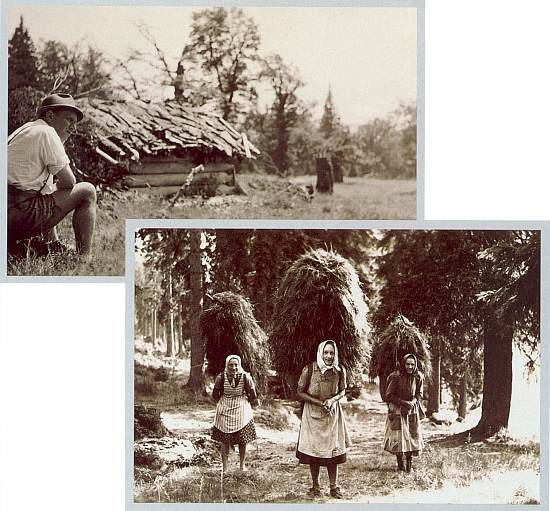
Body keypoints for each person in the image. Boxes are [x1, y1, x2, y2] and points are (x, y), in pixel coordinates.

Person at [8, 93, 96, 258]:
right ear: (50, 116)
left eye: (75, 123)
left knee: (44, 194)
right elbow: (69, 182)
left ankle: (52, 244)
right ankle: (84, 258)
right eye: (69, 120)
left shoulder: (23, 131)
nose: (73, 128)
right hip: (16, 211)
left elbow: (44, 191)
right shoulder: (47, 132)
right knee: (87, 191)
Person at [296, 340, 351, 499]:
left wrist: (332, 400)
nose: (328, 356)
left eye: (331, 353)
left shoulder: (340, 371)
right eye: (325, 353)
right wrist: (319, 402)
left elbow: (342, 391)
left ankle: (334, 487)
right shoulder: (309, 369)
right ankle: (315, 486)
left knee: (332, 451)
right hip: (312, 414)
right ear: (320, 353)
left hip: (332, 415)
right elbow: (300, 392)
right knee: (314, 451)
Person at [211, 355, 259, 472]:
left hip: (241, 406)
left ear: (239, 365)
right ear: (227, 366)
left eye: (236, 365)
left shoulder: (245, 377)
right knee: (225, 440)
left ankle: (242, 466)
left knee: (242, 439)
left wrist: (247, 401)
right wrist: (223, 403)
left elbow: (253, 395)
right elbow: (214, 395)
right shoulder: (221, 377)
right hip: (225, 406)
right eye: (231, 365)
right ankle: (225, 468)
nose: (233, 368)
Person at [383, 353, 425, 472]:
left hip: (411, 410)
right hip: (397, 409)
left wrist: (412, 402)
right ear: (403, 364)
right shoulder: (396, 377)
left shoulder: (418, 377)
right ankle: (400, 463)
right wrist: (403, 403)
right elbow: (389, 395)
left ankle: (409, 464)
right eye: (407, 364)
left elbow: (419, 393)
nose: (410, 367)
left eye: (412, 364)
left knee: (411, 436)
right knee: (399, 436)